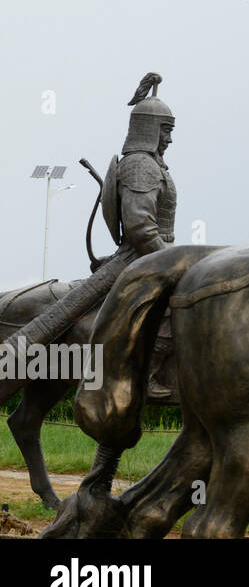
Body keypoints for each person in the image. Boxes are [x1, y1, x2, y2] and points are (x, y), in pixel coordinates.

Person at [0, 74, 178, 403]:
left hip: (150, 255)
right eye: (165, 130)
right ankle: (150, 372)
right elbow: (140, 228)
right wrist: (174, 261)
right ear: (150, 129)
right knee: (165, 308)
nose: (169, 139)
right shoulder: (141, 166)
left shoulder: (150, 165)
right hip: (141, 257)